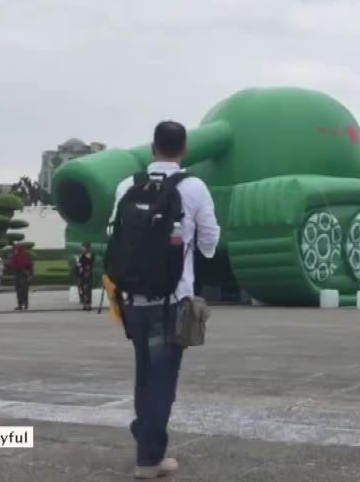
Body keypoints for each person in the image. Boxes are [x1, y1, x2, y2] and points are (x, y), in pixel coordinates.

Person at [109, 120, 220, 479]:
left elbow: (112, 231)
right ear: (184, 148)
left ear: (153, 148)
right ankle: (149, 458)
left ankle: (144, 434)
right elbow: (209, 239)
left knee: (145, 371)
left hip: (131, 299)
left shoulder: (128, 184)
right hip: (172, 299)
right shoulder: (193, 187)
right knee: (163, 378)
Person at [9, 242, 33, 311]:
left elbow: (29, 266)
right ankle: (20, 305)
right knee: (19, 291)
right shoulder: (15, 256)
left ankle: (25, 304)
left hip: (23, 275)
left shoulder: (23, 256)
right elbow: (12, 266)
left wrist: (30, 274)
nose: (14, 251)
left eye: (15, 250)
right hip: (18, 275)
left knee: (24, 290)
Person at [76, 240, 95, 311]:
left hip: (88, 274)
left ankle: (89, 304)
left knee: (88, 289)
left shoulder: (91, 255)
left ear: (87, 248)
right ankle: (84, 304)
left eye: (83, 247)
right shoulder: (82, 255)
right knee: (83, 289)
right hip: (82, 274)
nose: (81, 248)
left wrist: (80, 261)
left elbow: (89, 263)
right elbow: (79, 264)